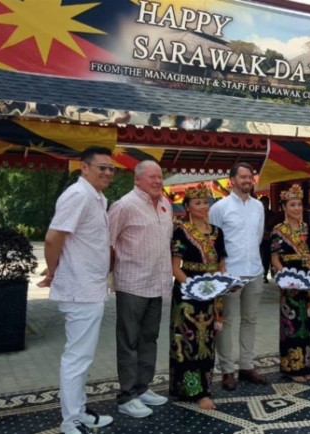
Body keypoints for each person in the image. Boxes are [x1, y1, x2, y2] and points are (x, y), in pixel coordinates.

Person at [41, 147, 115, 434]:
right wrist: (51, 270)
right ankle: (70, 421)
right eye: (102, 167)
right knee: (77, 357)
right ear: (84, 167)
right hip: (79, 289)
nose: (108, 172)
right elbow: (52, 238)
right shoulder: (77, 195)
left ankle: (79, 412)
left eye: (111, 168)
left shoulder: (96, 197)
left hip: (91, 288)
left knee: (83, 356)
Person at [109, 160, 173, 418]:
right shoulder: (123, 205)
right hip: (132, 284)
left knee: (149, 339)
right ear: (137, 180)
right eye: (152, 177)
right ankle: (126, 396)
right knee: (128, 341)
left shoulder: (166, 205)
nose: (157, 181)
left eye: (160, 177)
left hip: (157, 284)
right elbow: (108, 243)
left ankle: (142, 387)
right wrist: (106, 276)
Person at [208, 162, 267, 391]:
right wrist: (219, 275)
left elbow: (259, 237)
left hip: (255, 271)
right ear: (231, 180)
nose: (247, 181)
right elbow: (213, 243)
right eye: (242, 177)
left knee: (250, 320)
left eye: (250, 177)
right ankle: (226, 370)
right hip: (230, 274)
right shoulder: (220, 208)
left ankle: (247, 365)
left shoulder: (258, 207)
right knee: (227, 322)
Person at [169, 183, 228, 410]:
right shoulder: (180, 231)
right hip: (187, 295)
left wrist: (222, 285)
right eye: (198, 203)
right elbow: (175, 267)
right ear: (187, 207)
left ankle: (204, 388)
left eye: (206, 202)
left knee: (208, 342)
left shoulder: (216, 232)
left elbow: (221, 264)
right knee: (188, 342)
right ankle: (194, 390)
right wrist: (195, 287)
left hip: (212, 294)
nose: (203, 206)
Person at [270, 184, 310, 382]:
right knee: (291, 324)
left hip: (307, 281)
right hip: (289, 282)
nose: (297, 208)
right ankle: (292, 368)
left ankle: (305, 365)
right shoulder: (278, 231)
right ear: (284, 207)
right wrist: (286, 278)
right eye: (292, 204)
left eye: (299, 204)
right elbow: (274, 259)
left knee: (307, 323)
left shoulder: (307, 228)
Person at [259, 196, 282, 283]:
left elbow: (276, 228)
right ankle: (263, 274)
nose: (264, 205)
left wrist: (269, 233)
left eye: (265, 203)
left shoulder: (273, 215)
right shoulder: (256, 214)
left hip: (270, 239)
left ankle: (268, 274)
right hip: (260, 240)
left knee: (269, 257)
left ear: (268, 204)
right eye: (262, 204)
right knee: (262, 257)